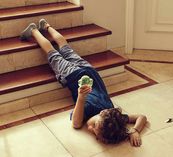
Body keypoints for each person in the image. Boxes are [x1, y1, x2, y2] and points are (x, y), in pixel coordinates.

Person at [20, 19, 147, 147]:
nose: (90, 129)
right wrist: (81, 98)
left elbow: (141, 117)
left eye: (95, 134)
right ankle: (33, 30)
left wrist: (135, 130)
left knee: (65, 48)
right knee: (52, 53)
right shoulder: (88, 107)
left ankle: (46, 26)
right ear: (101, 114)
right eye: (95, 125)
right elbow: (76, 123)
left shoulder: (113, 117)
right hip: (71, 75)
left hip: (89, 70)